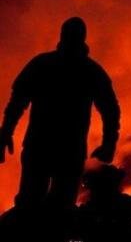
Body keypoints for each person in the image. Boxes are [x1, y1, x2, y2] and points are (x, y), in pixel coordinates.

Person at [0, 17, 120, 210]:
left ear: (61, 36)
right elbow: (110, 110)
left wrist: (6, 132)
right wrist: (109, 144)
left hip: (40, 146)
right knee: (58, 208)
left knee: (31, 204)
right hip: (68, 150)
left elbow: (17, 102)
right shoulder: (91, 71)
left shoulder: (41, 64)